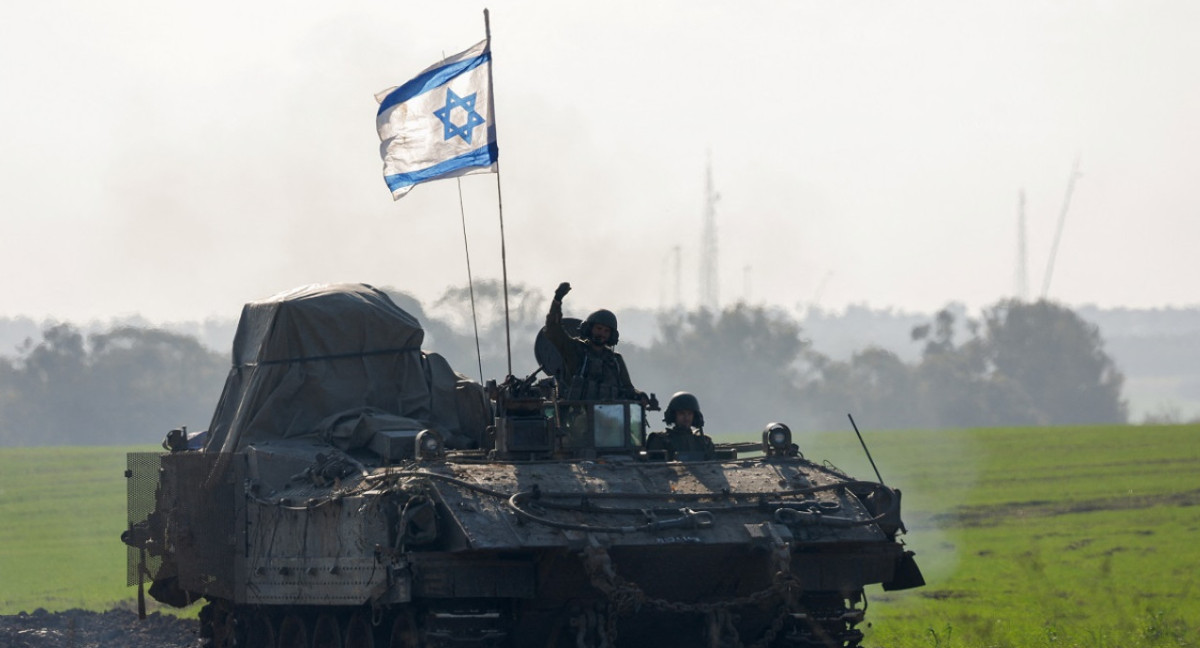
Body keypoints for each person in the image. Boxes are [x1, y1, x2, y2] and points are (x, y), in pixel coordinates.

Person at [545, 282, 648, 403]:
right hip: (576, 415)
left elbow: (627, 388)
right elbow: (553, 329)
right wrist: (557, 301)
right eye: (598, 329)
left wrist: (640, 395)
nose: (602, 334)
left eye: (606, 331)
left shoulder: (615, 361)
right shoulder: (575, 350)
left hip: (610, 417)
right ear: (590, 329)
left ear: (611, 335)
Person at [645, 391, 715, 460]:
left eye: (689, 413)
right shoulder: (660, 441)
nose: (686, 417)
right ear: (673, 415)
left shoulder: (703, 442)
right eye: (682, 413)